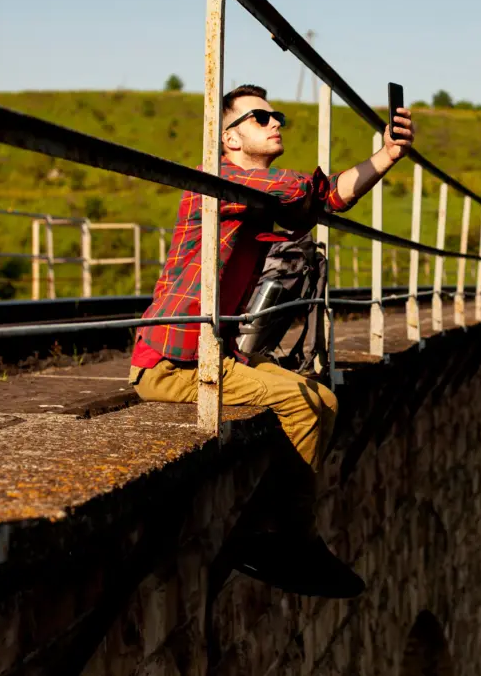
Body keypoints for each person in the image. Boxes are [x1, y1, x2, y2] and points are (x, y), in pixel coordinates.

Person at [127, 84, 415, 597]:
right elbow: (315, 192)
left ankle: (275, 533)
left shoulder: (255, 200)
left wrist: (387, 156)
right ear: (229, 139)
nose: (275, 121)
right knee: (300, 401)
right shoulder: (218, 183)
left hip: (212, 356)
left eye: (275, 114)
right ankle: (279, 537)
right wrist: (374, 160)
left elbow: (326, 199)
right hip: (170, 364)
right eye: (260, 117)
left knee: (323, 397)